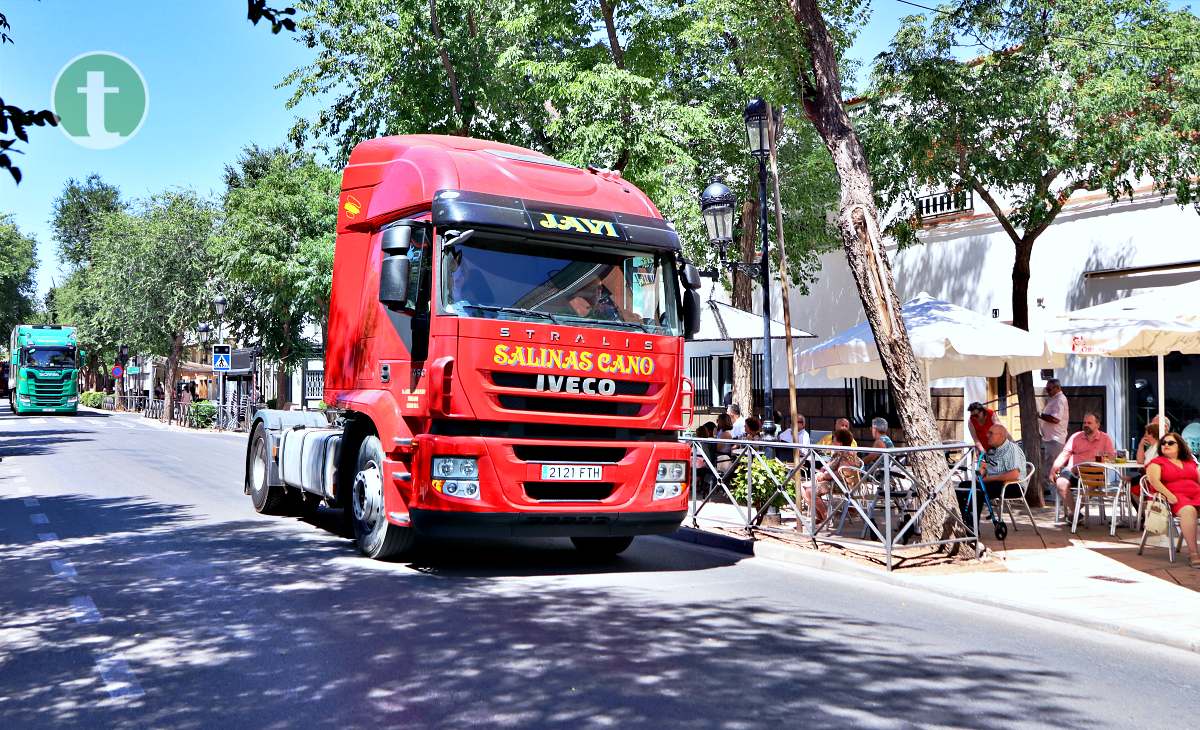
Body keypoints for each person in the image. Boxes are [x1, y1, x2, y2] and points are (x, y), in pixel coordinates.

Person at [1145, 432, 1200, 568]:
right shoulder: (1157, 462)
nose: (1166, 445)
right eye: (1163, 443)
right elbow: (1154, 481)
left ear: (1180, 446)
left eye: (1170, 443)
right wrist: (1169, 495)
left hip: (1196, 494)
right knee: (1188, 510)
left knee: (1190, 509)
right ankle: (1193, 553)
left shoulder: (1190, 462)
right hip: (1175, 497)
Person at [1050, 412, 1116, 519]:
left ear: (1097, 425)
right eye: (1084, 422)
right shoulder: (1076, 437)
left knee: (1090, 486)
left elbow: (1112, 458)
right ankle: (1075, 513)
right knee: (1061, 482)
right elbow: (1064, 454)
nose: (1086, 425)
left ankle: (1074, 514)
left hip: (1094, 474)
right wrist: (1053, 469)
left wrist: (1095, 460)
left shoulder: (1105, 438)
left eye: (1089, 423)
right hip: (1074, 472)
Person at [957, 424, 1026, 520]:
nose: (987, 435)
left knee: (978, 491)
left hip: (1013, 485)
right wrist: (982, 470)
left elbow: (1014, 475)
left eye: (991, 433)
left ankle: (971, 524)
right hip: (995, 482)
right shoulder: (993, 451)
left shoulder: (1012, 449)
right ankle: (964, 517)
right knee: (964, 486)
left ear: (1001, 435)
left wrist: (988, 479)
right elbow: (986, 470)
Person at [803, 428, 861, 523]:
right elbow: (828, 466)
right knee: (802, 487)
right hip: (831, 481)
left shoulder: (848, 455)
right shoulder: (838, 453)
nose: (832, 442)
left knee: (810, 491)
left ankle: (826, 517)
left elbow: (840, 473)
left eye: (834, 440)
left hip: (841, 484)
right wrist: (822, 472)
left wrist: (824, 476)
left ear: (840, 443)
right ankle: (820, 516)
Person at [1039, 378, 1069, 495]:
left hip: (1055, 438)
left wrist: (1040, 415)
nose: (1047, 391)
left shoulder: (1059, 400)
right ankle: (1050, 491)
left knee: (1052, 466)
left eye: (1049, 389)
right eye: (1046, 389)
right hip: (1050, 438)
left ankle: (1052, 493)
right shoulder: (1054, 399)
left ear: (1057, 388)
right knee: (1049, 465)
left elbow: (1056, 419)